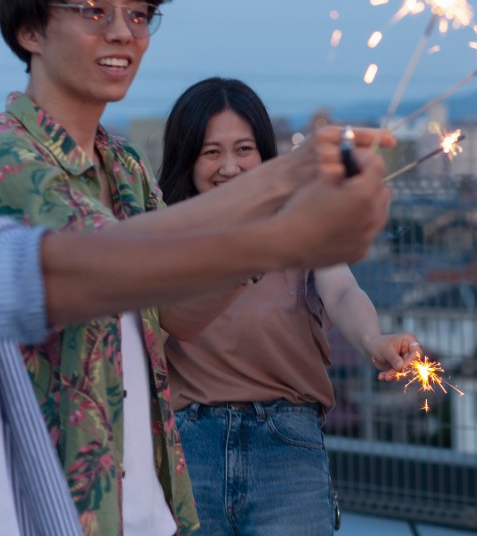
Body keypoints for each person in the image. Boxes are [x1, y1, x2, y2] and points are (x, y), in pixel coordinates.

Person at [0, 0, 391, 535]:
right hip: (50, 507)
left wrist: (283, 194)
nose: (124, 33)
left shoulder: (122, 164)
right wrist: (280, 215)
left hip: (147, 504)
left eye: (138, 15)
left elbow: (174, 312)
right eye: (95, 11)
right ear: (30, 32)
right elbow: (90, 265)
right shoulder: (0, 156)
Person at [156, 77, 419, 536]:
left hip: (286, 440)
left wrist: (373, 339)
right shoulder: (164, 230)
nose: (229, 166)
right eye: (211, 151)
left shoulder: (297, 222)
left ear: (265, 153)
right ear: (187, 156)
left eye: (244, 149)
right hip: (188, 439)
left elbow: (341, 291)